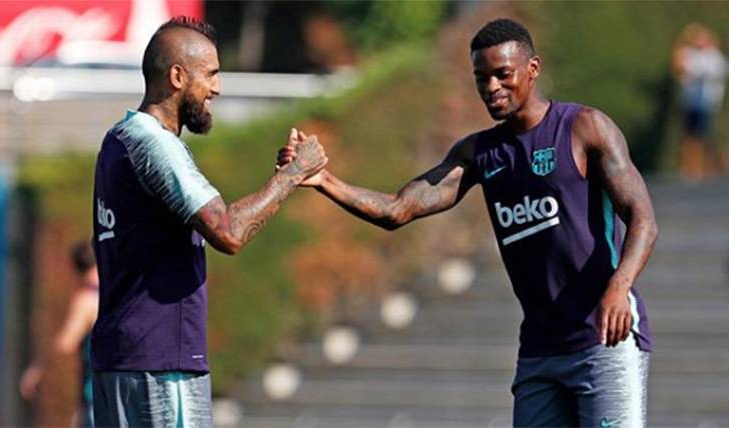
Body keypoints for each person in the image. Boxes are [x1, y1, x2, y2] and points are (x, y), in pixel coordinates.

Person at [279, 18, 658, 427]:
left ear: (533, 69)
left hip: (603, 337)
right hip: (540, 352)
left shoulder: (584, 127)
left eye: (503, 74)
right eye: (481, 77)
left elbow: (643, 219)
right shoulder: (480, 153)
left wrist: (619, 287)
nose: (491, 87)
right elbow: (397, 209)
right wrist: (324, 181)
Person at [91, 16, 326, 427]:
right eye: (211, 74)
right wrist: (293, 174)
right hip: (160, 363)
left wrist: (282, 178)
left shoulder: (118, 140)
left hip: (124, 360)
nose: (217, 88)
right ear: (177, 76)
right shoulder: (154, 144)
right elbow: (228, 232)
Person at [20, 242, 99, 428]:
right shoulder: (114, 292)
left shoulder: (86, 299)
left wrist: (36, 370)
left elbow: (66, 343)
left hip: (96, 394)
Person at [671, 23, 728, 180]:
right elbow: (680, 67)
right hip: (691, 103)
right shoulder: (691, 55)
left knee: (705, 136)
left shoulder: (715, 58)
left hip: (707, 104)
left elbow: (709, 72)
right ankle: (691, 167)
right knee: (690, 136)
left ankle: (714, 165)